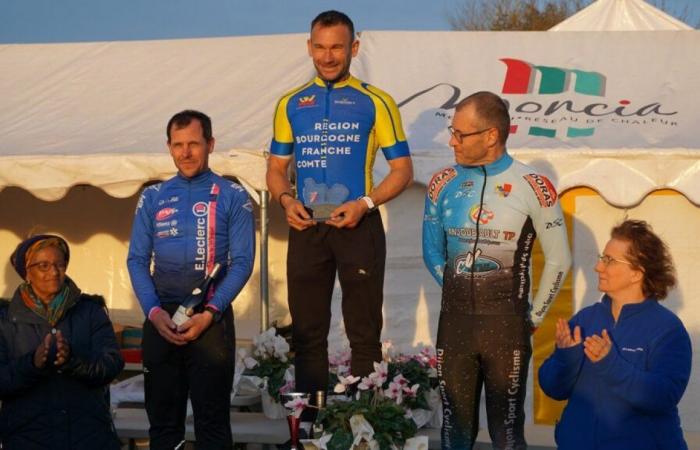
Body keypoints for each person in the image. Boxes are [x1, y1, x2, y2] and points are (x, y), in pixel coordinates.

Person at [266, 10, 413, 403]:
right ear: (309, 47)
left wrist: (365, 203)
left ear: (354, 48)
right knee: (307, 333)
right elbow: (276, 169)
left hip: (357, 225)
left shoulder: (376, 101)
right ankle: (310, 428)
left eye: (337, 47)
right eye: (320, 47)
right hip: (306, 228)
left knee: (364, 332)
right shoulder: (291, 104)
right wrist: (285, 199)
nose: (328, 57)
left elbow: (402, 170)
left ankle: (362, 424)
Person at [422, 91, 572, 449]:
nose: (451, 140)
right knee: (453, 432)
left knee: (506, 434)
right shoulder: (442, 182)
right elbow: (431, 251)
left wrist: (532, 316)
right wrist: (463, 286)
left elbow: (559, 259)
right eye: (452, 132)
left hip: (507, 326)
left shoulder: (534, 186)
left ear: (491, 135)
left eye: (461, 134)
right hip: (455, 322)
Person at [127, 110, 255, 450]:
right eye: (178, 145)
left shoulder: (233, 195)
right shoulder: (152, 196)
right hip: (162, 319)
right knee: (163, 426)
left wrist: (211, 312)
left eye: (194, 144)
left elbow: (242, 262)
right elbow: (137, 260)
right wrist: (154, 313)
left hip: (209, 319)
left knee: (212, 425)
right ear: (169, 147)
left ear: (210, 144)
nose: (185, 153)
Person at [539, 220, 691, 450]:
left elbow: (662, 397)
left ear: (636, 273)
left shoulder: (668, 330)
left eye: (609, 260)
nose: (598, 267)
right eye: (602, 257)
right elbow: (552, 388)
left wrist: (610, 363)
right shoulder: (585, 320)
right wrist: (565, 357)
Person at [0, 235, 124, 450]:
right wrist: (32, 364)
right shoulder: (5, 319)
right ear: (26, 272)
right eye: (43, 266)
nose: (54, 272)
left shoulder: (90, 311)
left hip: (88, 436)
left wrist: (73, 362)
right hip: (27, 437)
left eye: (60, 264)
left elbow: (112, 363)